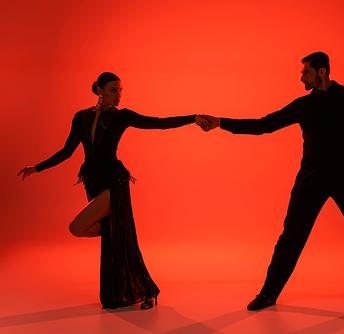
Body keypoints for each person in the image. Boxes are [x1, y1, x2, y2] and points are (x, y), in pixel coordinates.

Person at [198, 52, 344, 309]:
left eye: (306, 72)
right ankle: (269, 294)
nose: (302, 77)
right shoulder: (303, 105)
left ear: (322, 72)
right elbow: (263, 125)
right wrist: (219, 123)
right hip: (311, 178)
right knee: (291, 235)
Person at [18, 72, 209, 309]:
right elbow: (67, 151)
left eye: (120, 90)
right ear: (99, 89)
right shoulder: (81, 117)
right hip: (92, 180)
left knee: (76, 227)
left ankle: (146, 290)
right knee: (113, 235)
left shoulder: (122, 117)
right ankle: (139, 289)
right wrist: (36, 168)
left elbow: (158, 123)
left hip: (114, 181)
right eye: (112, 90)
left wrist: (193, 118)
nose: (118, 95)